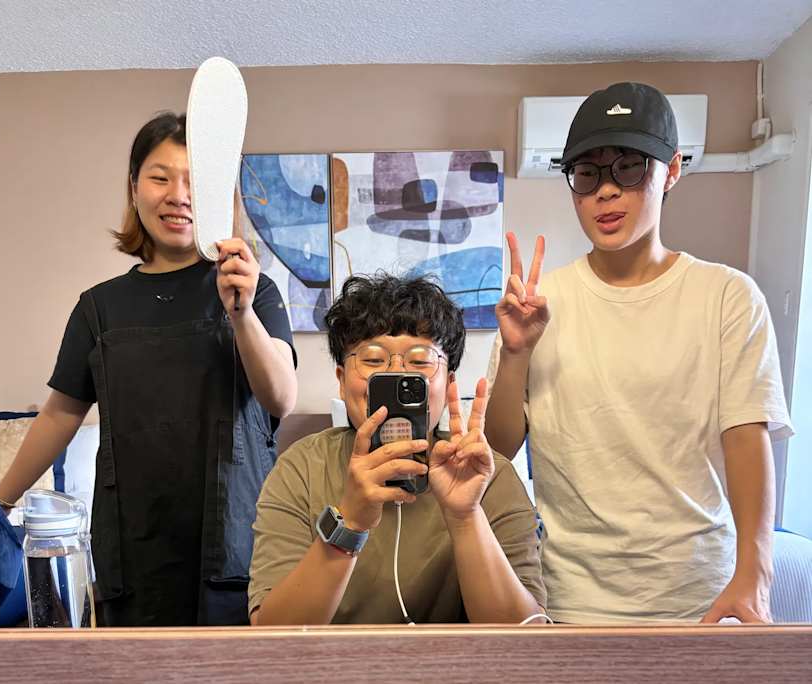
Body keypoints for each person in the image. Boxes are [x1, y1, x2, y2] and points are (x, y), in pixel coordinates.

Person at [485, 82, 793, 624]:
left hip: (699, 597)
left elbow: (747, 438)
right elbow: (498, 448)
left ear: (670, 170)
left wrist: (756, 574)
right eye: (587, 174)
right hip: (572, 599)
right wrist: (515, 354)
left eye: (628, 168)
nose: (606, 192)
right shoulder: (538, 305)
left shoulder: (727, 296)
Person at [0, 112, 298, 626]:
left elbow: (281, 398)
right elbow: (61, 414)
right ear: (134, 188)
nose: (179, 195)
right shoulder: (99, 309)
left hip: (235, 539)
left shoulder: (256, 291)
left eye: (195, 182)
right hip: (134, 544)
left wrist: (241, 312)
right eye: (161, 178)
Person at [248, 274, 547, 624]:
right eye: (373, 360)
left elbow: (524, 635)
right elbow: (273, 632)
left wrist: (466, 517)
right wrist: (350, 522)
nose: (396, 372)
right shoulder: (302, 469)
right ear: (342, 381)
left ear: (449, 381)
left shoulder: (486, 475)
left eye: (420, 361)